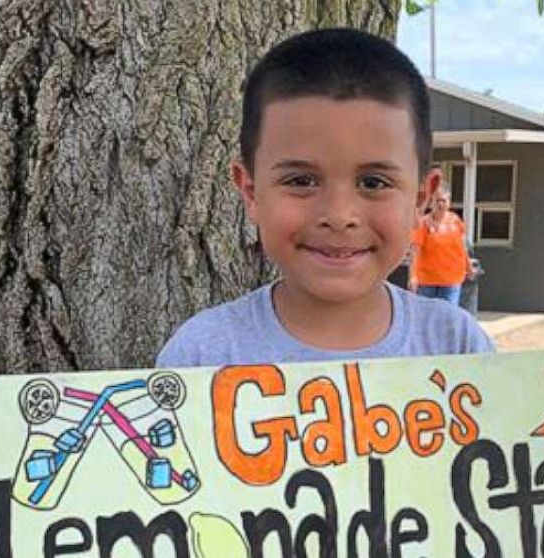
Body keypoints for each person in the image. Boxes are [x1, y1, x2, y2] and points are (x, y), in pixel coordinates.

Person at [156, 29, 494, 368]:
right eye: (301, 180)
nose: (338, 214)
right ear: (251, 192)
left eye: (374, 183)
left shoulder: (457, 347)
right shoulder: (199, 356)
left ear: (421, 198)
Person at [408, 187, 472, 305]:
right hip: (427, 280)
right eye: (437, 201)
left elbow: (462, 246)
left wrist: (468, 266)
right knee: (427, 316)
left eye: (444, 200)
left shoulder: (455, 221)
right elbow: (415, 251)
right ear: (432, 202)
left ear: (449, 203)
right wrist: (413, 276)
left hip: (452, 279)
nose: (441, 204)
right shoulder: (423, 223)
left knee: (449, 315)